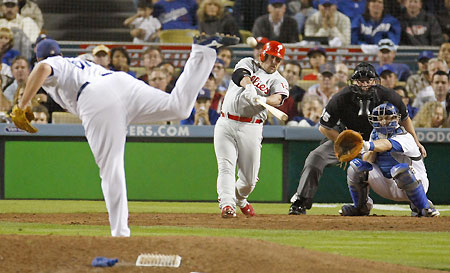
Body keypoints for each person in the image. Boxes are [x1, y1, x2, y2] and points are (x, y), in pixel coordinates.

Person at [15, 35, 238, 236]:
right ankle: (202, 52)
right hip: (120, 83)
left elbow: (43, 68)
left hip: (94, 96)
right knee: (178, 107)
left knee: (111, 167)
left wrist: (22, 103)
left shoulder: (53, 63)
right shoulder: (76, 61)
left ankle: (120, 234)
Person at [289, 62, 426, 215]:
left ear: (375, 81)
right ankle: (301, 201)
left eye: (368, 80)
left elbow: (405, 118)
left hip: (380, 140)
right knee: (315, 158)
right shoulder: (341, 96)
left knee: (404, 166)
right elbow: (324, 127)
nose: (365, 85)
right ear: (353, 81)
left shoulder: (388, 95)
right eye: (360, 81)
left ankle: (418, 204)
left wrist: (416, 141)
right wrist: (345, 142)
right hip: (346, 137)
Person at [215, 40, 289, 218]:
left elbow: (278, 99)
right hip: (226, 122)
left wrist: (262, 99)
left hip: (251, 127)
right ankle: (227, 204)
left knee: (248, 181)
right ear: (263, 55)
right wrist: (248, 86)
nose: (274, 62)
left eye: (277, 59)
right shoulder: (249, 62)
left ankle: (240, 199)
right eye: (271, 57)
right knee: (226, 166)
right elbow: (239, 74)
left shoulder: (279, 79)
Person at [339, 103, 440, 217]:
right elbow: (368, 160)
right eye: (380, 118)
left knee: (400, 170)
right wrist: (367, 151)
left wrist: (366, 145)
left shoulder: (405, 136)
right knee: (356, 166)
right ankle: (360, 207)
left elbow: (387, 144)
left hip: (414, 181)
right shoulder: (375, 134)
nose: (383, 122)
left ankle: (423, 206)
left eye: (387, 118)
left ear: (396, 119)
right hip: (386, 183)